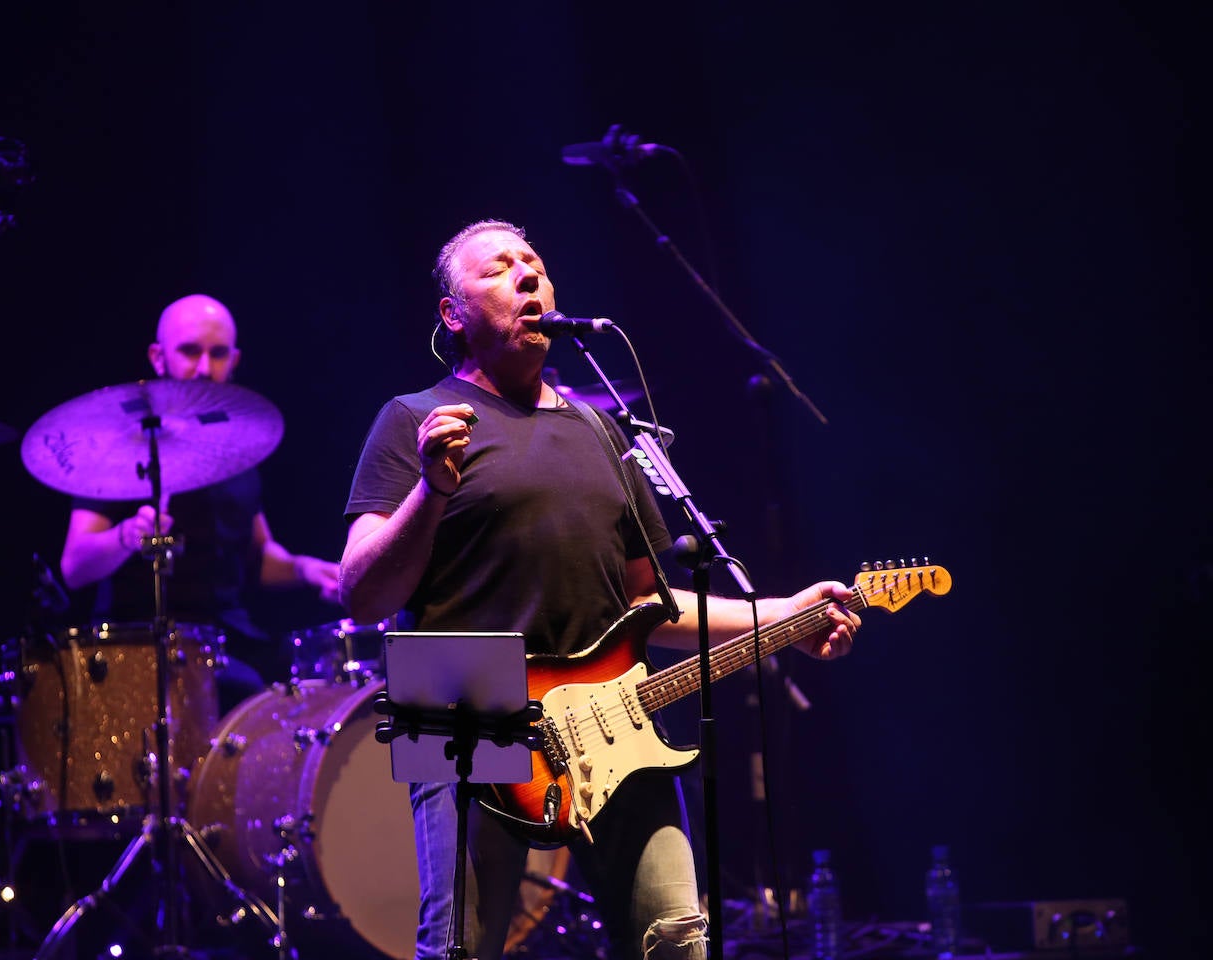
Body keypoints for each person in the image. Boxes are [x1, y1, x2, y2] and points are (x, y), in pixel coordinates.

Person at [340, 220, 862, 960]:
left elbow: (652, 606)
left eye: (535, 264)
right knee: (462, 947)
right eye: (498, 269)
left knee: (676, 938)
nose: (527, 276)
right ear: (453, 315)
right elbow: (359, 592)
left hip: (611, 713)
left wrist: (783, 613)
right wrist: (430, 490)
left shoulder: (602, 430)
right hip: (464, 704)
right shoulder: (413, 419)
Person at [60, 293, 341, 707]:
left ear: (235, 361)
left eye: (218, 354)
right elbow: (75, 566)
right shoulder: (115, 447)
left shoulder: (238, 450)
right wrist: (126, 535)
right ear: (158, 357)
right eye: (190, 352)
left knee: (323, 688)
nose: (205, 368)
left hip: (229, 642)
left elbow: (258, 557)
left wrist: (306, 569)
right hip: (138, 649)